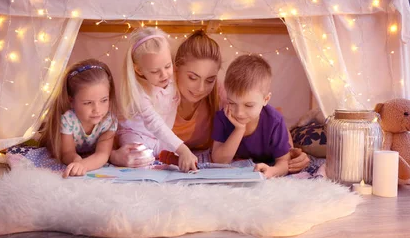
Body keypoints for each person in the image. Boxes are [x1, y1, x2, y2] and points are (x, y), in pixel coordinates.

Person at [111, 30, 309, 172]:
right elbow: (125, 125)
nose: (200, 88)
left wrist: (290, 152)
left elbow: (259, 111)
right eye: (192, 77)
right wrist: (113, 155)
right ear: (176, 69)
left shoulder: (219, 94)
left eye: (209, 80)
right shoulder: (159, 91)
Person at [117, 27, 197, 172]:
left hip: (157, 138)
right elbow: (156, 124)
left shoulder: (173, 80)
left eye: (167, 66)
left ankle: (162, 155)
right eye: (155, 71)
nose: (164, 74)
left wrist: (182, 150)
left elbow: (163, 131)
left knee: (173, 148)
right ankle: (113, 155)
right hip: (136, 135)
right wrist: (182, 149)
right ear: (139, 70)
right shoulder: (140, 93)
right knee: (140, 156)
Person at [212, 55, 290, 177]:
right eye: (232, 103)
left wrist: (272, 171)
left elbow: (284, 161)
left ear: (266, 99)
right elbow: (219, 160)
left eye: (248, 105)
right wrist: (239, 129)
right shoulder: (222, 117)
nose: (239, 113)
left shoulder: (274, 121)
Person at [39, 59, 118, 177]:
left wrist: (83, 165)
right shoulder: (68, 120)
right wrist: (76, 161)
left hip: (88, 157)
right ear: (71, 101)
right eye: (87, 103)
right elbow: (67, 153)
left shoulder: (108, 121)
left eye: (104, 100)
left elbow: (102, 154)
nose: (97, 109)